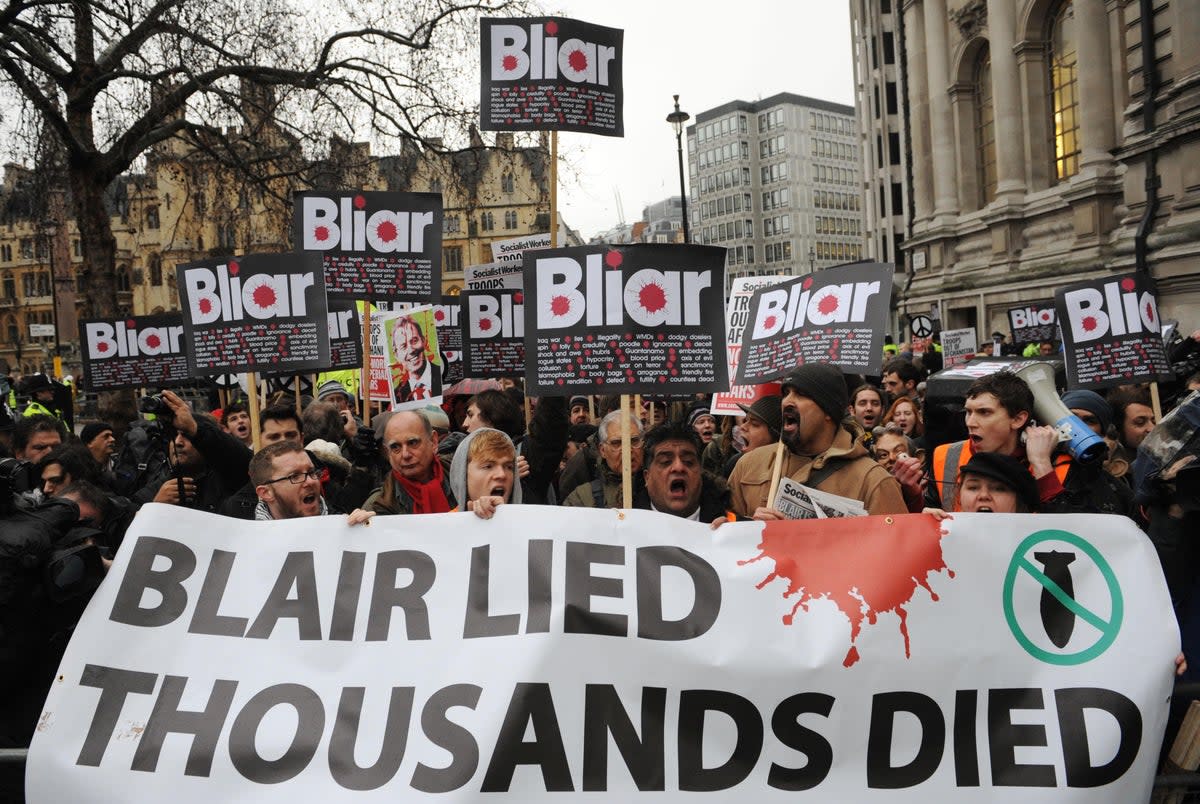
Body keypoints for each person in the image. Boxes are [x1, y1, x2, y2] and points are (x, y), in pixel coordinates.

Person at [726, 364, 907, 518]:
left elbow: (893, 551)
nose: (787, 401)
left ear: (828, 411)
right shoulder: (749, 465)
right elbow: (722, 539)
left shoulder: (873, 480)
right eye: (786, 393)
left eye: (801, 394)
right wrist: (744, 529)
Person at [921, 371, 1066, 511]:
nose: (970, 422)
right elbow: (932, 523)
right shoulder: (946, 456)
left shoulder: (1058, 463)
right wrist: (914, 497)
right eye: (968, 412)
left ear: (1017, 419)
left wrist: (1041, 464)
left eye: (984, 412)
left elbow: (1069, 532)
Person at [133, 390, 251, 513]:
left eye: (187, 436)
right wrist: (155, 508)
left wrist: (194, 428)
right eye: (174, 435)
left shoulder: (228, 481)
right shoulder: (151, 492)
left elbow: (246, 462)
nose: (178, 442)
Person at [250, 441, 373, 523]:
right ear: (266, 493)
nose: (310, 481)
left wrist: (362, 534)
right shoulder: (246, 544)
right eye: (295, 476)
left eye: (312, 472)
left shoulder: (343, 525)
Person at [637, 420, 732, 521]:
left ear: (701, 472)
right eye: (666, 462)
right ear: (647, 477)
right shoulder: (623, 527)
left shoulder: (731, 526)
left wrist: (728, 534)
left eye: (688, 461)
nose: (678, 467)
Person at [364, 410, 455, 514]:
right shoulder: (378, 505)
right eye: (395, 447)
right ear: (387, 452)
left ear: (433, 441)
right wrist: (364, 525)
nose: (405, 454)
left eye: (412, 443)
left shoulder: (464, 479)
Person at [562, 409, 646, 508]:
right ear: (602, 450)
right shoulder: (582, 498)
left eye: (634, 441)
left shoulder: (660, 488)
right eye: (617, 443)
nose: (627, 450)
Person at [925, 452, 1040, 515]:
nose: (983, 495)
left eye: (998, 489)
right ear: (959, 493)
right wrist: (925, 529)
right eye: (973, 487)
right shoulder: (942, 535)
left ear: (1019, 501)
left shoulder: (1039, 542)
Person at [447, 427, 522, 519]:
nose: (501, 474)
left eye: (509, 467)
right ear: (463, 475)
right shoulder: (445, 527)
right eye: (488, 466)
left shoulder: (532, 524)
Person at [392, 315, 441, 403]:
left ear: (423, 341)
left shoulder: (443, 376)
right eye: (403, 346)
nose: (411, 350)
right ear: (396, 354)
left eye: (414, 340)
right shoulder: (397, 395)